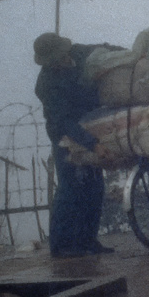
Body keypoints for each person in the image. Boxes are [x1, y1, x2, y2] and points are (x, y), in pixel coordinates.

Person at [33, 32, 111, 258]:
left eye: (61, 57)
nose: (61, 62)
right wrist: (93, 145)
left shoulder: (82, 52)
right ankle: (61, 245)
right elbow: (64, 121)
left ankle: (88, 239)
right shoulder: (47, 84)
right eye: (54, 62)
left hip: (90, 123)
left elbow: (105, 48)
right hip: (65, 135)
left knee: (95, 185)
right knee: (71, 186)